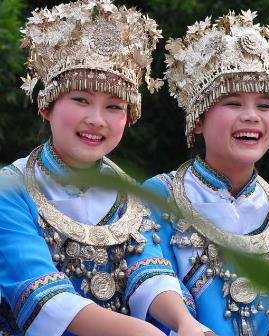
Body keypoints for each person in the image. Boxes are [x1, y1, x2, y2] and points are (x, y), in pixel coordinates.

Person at [0, 1, 203, 335]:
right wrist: (144, 332)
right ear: (46, 106)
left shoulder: (130, 195)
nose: (96, 119)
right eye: (80, 100)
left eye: (113, 106)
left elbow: (148, 270)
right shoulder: (12, 189)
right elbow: (42, 296)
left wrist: (185, 322)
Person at [144, 10, 269, 336]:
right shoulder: (159, 196)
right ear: (197, 120)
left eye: (264, 105)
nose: (251, 116)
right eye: (232, 102)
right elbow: (150, 287)